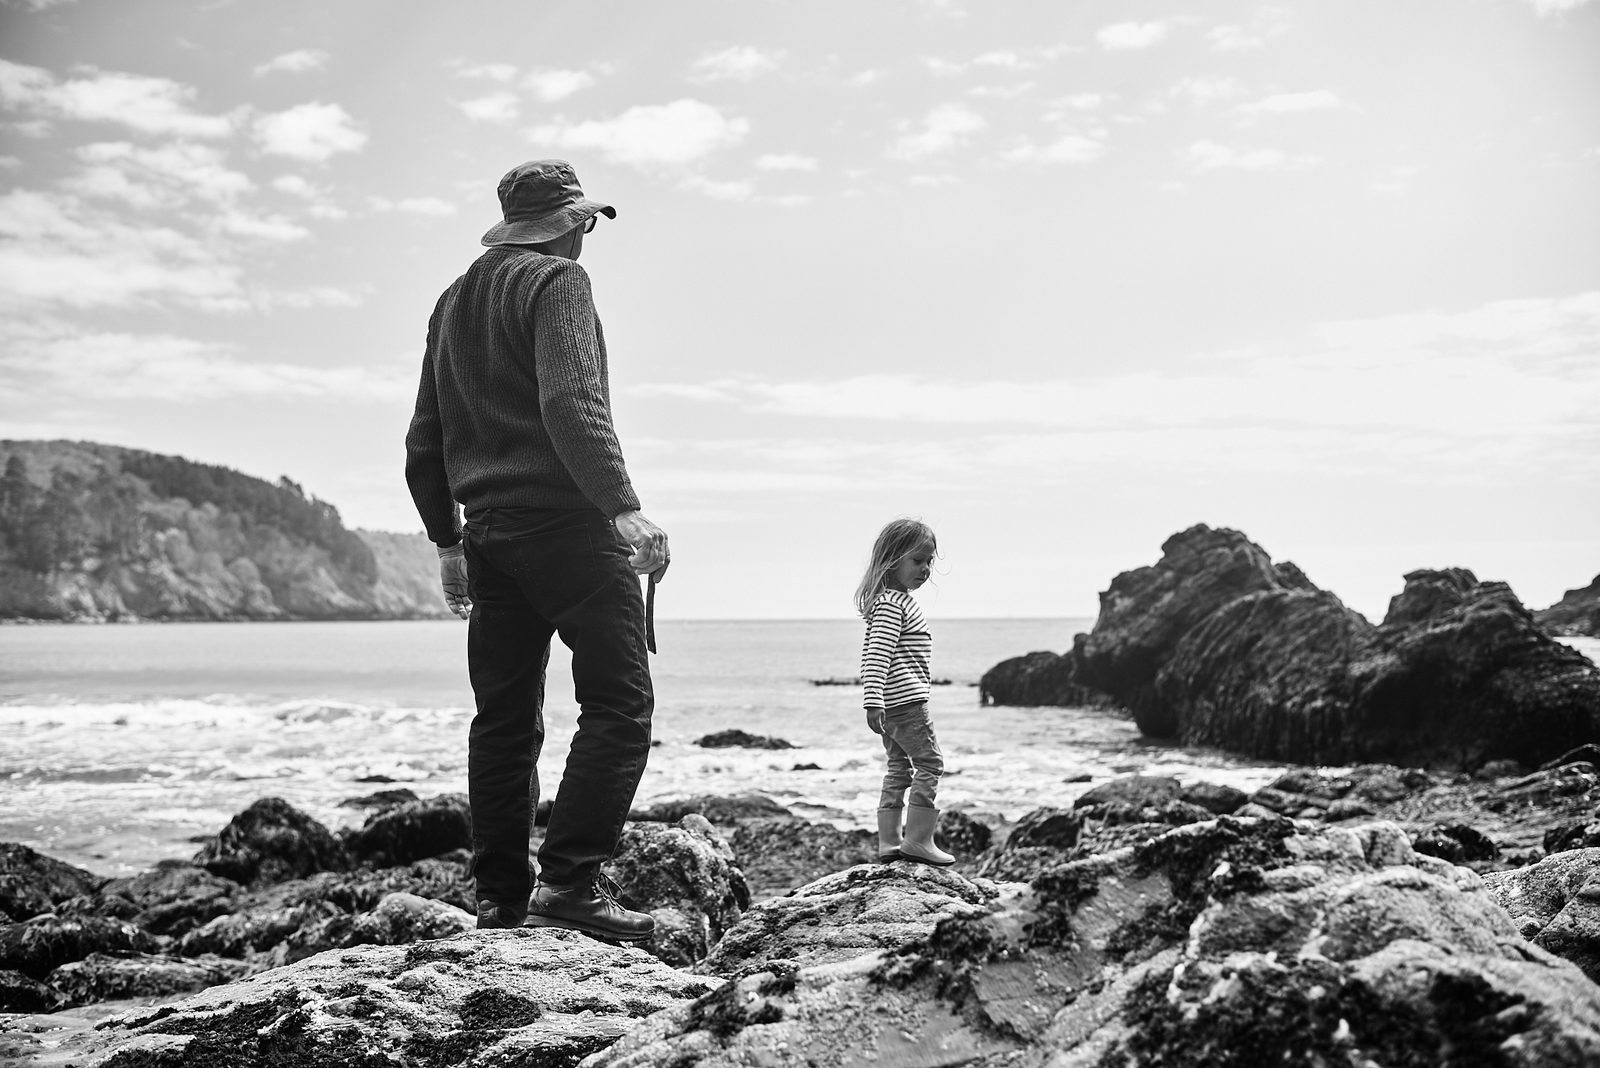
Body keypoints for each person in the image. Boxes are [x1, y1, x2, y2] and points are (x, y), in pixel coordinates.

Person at [405, 159, 669, 940]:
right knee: (620, 705)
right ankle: (570, 886)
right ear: (570, 225)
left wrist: (446, 541)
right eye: (585, 224)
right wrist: (623, 508)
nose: (588, 236)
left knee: (504, 720)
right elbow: (570, 399)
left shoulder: (452, 301)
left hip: (487, 535)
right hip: (568, 529)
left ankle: (498, 902)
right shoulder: (559, 285)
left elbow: (425, 439)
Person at [855, 517, 953, 866]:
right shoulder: (893, 605)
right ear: (891, 559)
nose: (925, 569)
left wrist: (877, 702)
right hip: (906, 702)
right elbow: (876, 655)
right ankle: (918, 840)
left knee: (899, 767)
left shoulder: (893, 601)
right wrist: (873, 701)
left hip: (895, 702)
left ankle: (889, 843)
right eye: (917, 560)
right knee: (931, 762)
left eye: (929, 561)